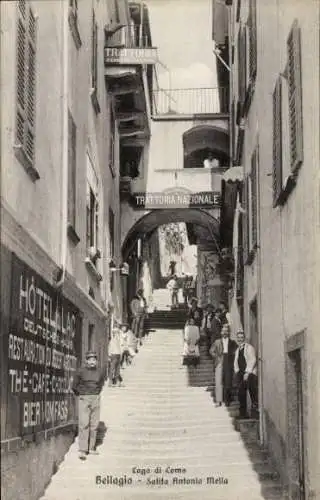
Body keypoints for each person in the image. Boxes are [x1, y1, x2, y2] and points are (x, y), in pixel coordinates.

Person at [72, 351, 104, 460]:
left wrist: (96, 394)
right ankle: (82, 450)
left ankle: (92, 448)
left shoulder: (100, 372)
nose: (92, 362)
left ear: (96, 361)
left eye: (94, 359)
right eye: (90, 359)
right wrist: (83, 394)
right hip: (84, 398)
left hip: (96, 398)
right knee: (84, 423)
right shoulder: (81, 371)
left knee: (94, 424)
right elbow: (74, 386)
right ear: (86, 360)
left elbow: (101, 384)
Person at [210, 324, 237, 407]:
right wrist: (217, 358)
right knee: (218, 382)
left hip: (229, 363)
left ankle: (227, 400)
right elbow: (211, 351)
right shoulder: (217, 341)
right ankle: (218, 401)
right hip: (219, 362)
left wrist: (233, 358)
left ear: (229, 332)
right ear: (221, 332)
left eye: (226, 331)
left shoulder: (232, 342)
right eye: (223, 331)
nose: (225, 333)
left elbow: (236, 352)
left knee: (228, 382)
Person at [234, 330, 259, 418]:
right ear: (237, 338)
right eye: (238, 338)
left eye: (241, 338)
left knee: (253, 393)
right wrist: (237, 372)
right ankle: (243, 414)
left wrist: (247, 373)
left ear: (244, 338)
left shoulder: (249, 347)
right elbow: (236, 362)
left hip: (250, 374)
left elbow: (253, 360)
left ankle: (255, 414)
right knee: (241, 394)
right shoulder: (237, 350)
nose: (240, 339)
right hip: (241, 374)